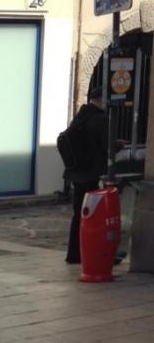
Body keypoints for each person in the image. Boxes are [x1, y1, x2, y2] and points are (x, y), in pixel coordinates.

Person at [65, 89, 108, 264]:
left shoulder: (81, 115)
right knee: (92, 216)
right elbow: (106, 146)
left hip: (76, 172)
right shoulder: (100, 118)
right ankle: (89, 252)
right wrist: (118, 145)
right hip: (90, 173)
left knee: (78, 214)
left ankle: (73, 254)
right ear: (100, 99)